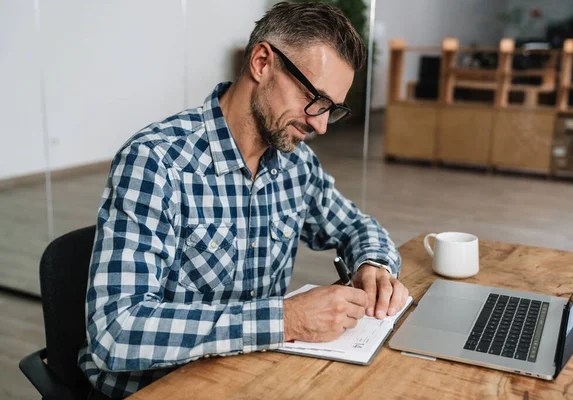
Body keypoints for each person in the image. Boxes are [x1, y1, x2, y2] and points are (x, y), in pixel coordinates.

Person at [78, 2, 409, 398]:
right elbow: (116, 332)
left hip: (252, 377)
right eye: (315, 99)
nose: (320, 124)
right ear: (262, 62)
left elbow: (357, 226)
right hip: (158, 389)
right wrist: (285, 319)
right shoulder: (157, 162)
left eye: (332, 110)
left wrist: (373, 264)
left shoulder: (294, 163)